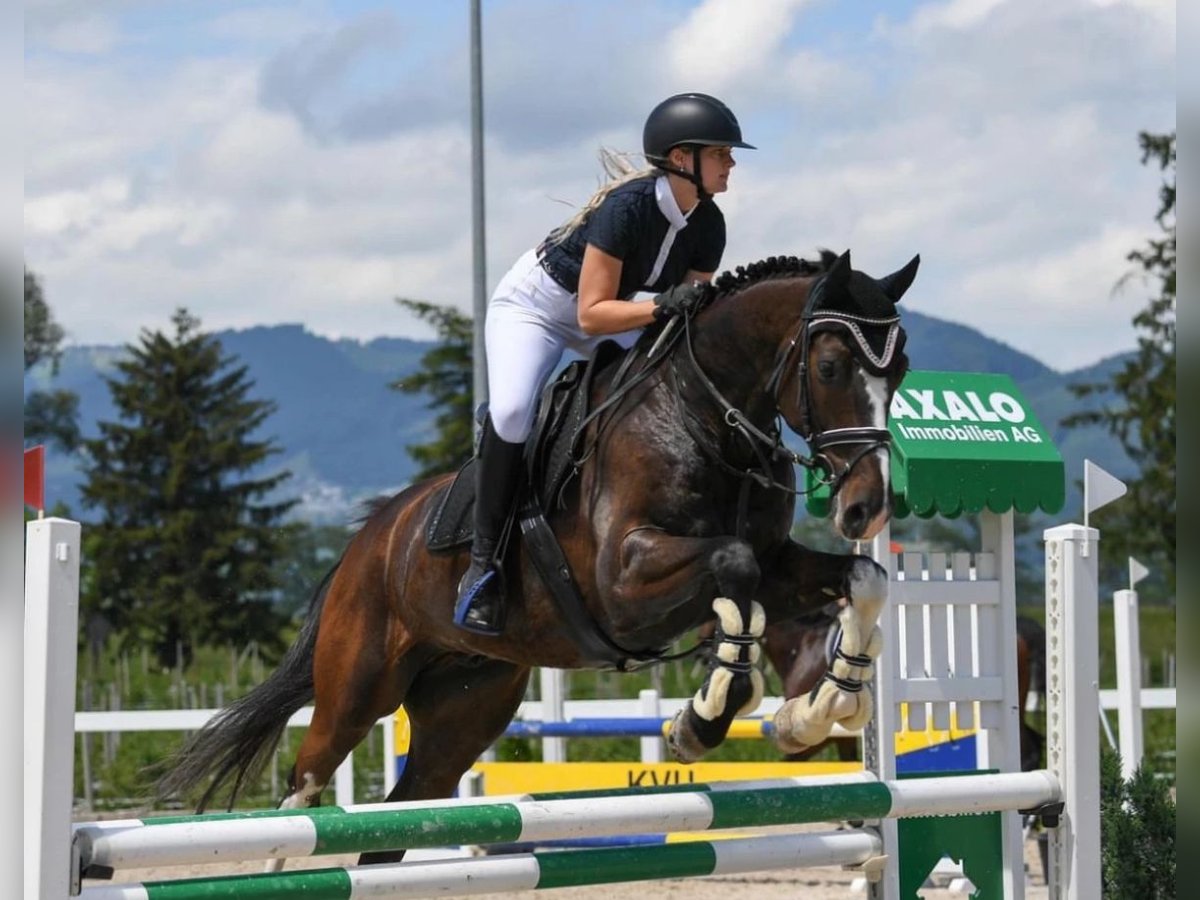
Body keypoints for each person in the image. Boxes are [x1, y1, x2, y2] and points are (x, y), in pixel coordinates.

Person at [454, 92, 755, 635]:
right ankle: (483, 568)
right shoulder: (629, 208)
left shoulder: (709, 225)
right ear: (683, 158)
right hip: (541, 311)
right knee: (517, 410)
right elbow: (591, 315)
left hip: (618, 316)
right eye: (722, 153)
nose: (731, 162)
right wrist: (662, 305)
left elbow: (679, 316)